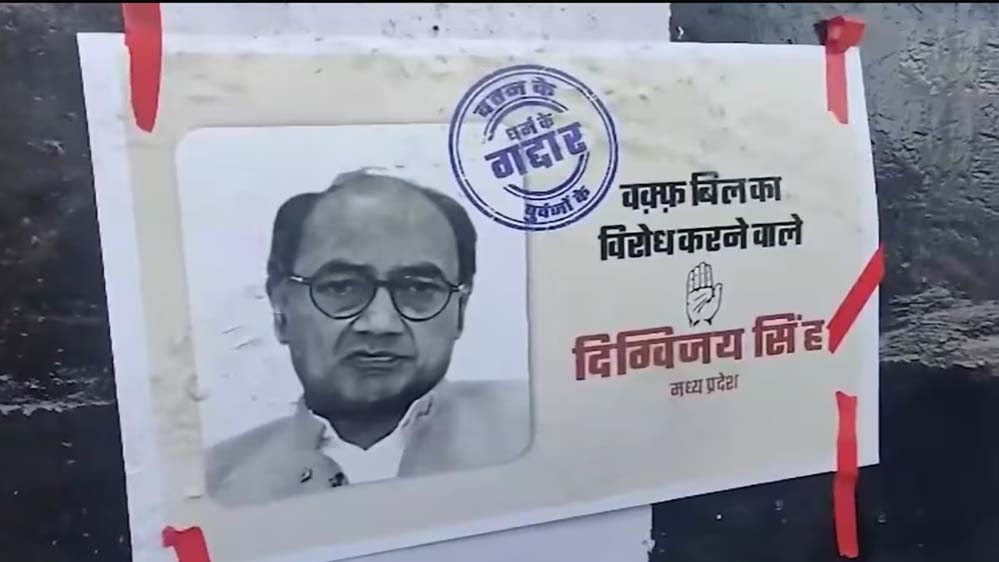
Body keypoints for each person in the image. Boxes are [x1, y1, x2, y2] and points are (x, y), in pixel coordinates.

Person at [205, 170, 530, 506]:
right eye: (341, 287)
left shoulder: (537, 427)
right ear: (281, 308)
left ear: (460, 309)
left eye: (418, 288)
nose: (380, 323)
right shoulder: (217, 487)